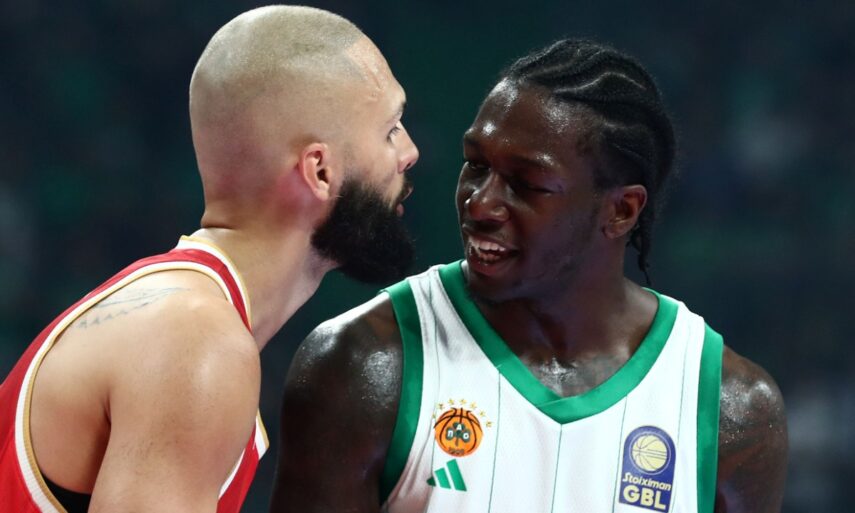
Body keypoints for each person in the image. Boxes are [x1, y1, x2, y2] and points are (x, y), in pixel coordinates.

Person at [270, 39, 787, 513]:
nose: (480, 204)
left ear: (622, 211)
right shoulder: (363, 366)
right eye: (476, 165)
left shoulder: (730, 412)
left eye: (527, 184)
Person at [0, 5, 418, 513]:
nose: (410, 151)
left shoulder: (177, 314)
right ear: (320, 172)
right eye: (391, 129)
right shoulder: (196, 345)